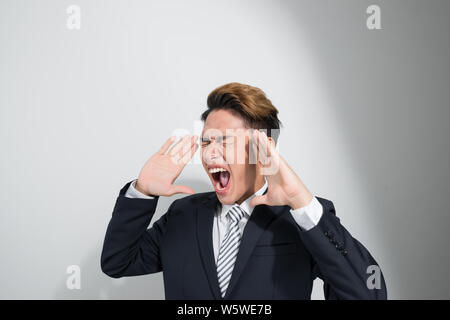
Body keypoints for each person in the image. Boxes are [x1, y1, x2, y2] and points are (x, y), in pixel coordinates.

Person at [101, 82, 387, 299]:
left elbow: (367, 293)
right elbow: (117, 262)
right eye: (205, 142)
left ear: (262, 149)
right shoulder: (183, 214)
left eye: (224, 141)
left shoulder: (302, 218)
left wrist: (301, 201)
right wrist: (142, 191)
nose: (210, 154)